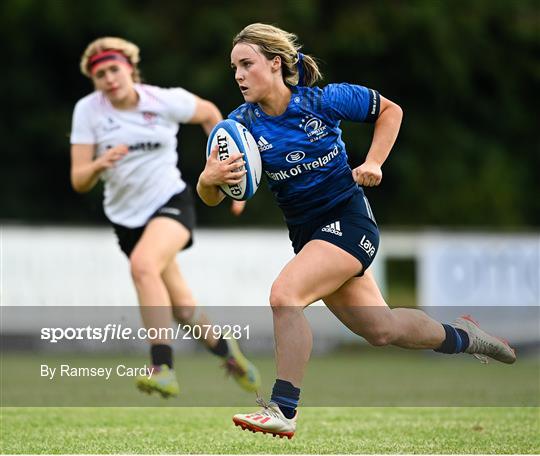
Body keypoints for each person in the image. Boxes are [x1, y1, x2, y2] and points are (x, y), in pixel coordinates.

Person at [197, 23, 516, 438]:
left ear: (275, 63)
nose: (237, 75)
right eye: (233, 67)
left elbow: (391, 110)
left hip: (349, 221)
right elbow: (214, 197)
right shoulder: (240, 127)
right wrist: (208, 179)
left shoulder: (322, 100)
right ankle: (465, 336)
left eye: (246, 64)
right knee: (382, 330)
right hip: (310, 237)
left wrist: (374, 162)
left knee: (284, 295)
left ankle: (283, 408)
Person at [70, 36, 260, 398]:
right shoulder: (88, 111)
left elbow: (211, 117)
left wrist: (227, 179)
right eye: (99, 75)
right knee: (184, 309)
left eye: (114, 69)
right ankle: (229, 352)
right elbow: (79, 180)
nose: (109, 79)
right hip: (126, 220)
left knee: (143, 266)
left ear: (130, 69)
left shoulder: (164, 100)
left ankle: (163, 368)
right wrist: (99, 164)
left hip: (170, 201)